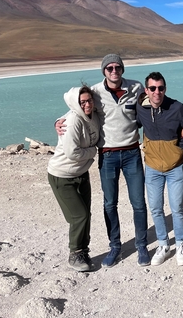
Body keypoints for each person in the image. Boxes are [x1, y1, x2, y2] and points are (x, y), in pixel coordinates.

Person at [56, 54, 150, 267]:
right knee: (110, 204)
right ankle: (115, 246)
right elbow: (78, 107)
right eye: (109, 68)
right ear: (104, 71)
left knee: (138, 203)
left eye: (117, 67)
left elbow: (151, 102)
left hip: (132, 153)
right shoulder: (96, 92)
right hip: (107, 155)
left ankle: (142, 245)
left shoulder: (135, 88)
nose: (114, 70)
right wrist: (58, 120)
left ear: (122, 69)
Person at [137, 72, 183, 266]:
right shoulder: (140, 108)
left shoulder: (177, 108)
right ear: (146, 90)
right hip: (152, 167)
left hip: (174, 167)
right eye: (152, 88)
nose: (157, 92)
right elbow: (127, 122)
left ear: (165, 89)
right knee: (156, 208)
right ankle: (163, 244)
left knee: (177, 208)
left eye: (160, 88)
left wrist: (179, 150)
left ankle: (181, 244)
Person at [48, 85, 100, 272]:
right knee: (79, 216)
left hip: (81, 174)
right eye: (82, 102)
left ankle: (83, 251)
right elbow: (72, 153)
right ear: (75, 104)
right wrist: (94, 151)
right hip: (62, 175)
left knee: (86, 215)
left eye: (89, 100)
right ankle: (74, 254)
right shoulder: (73, 122)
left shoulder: (93, 115)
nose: (87, 104)